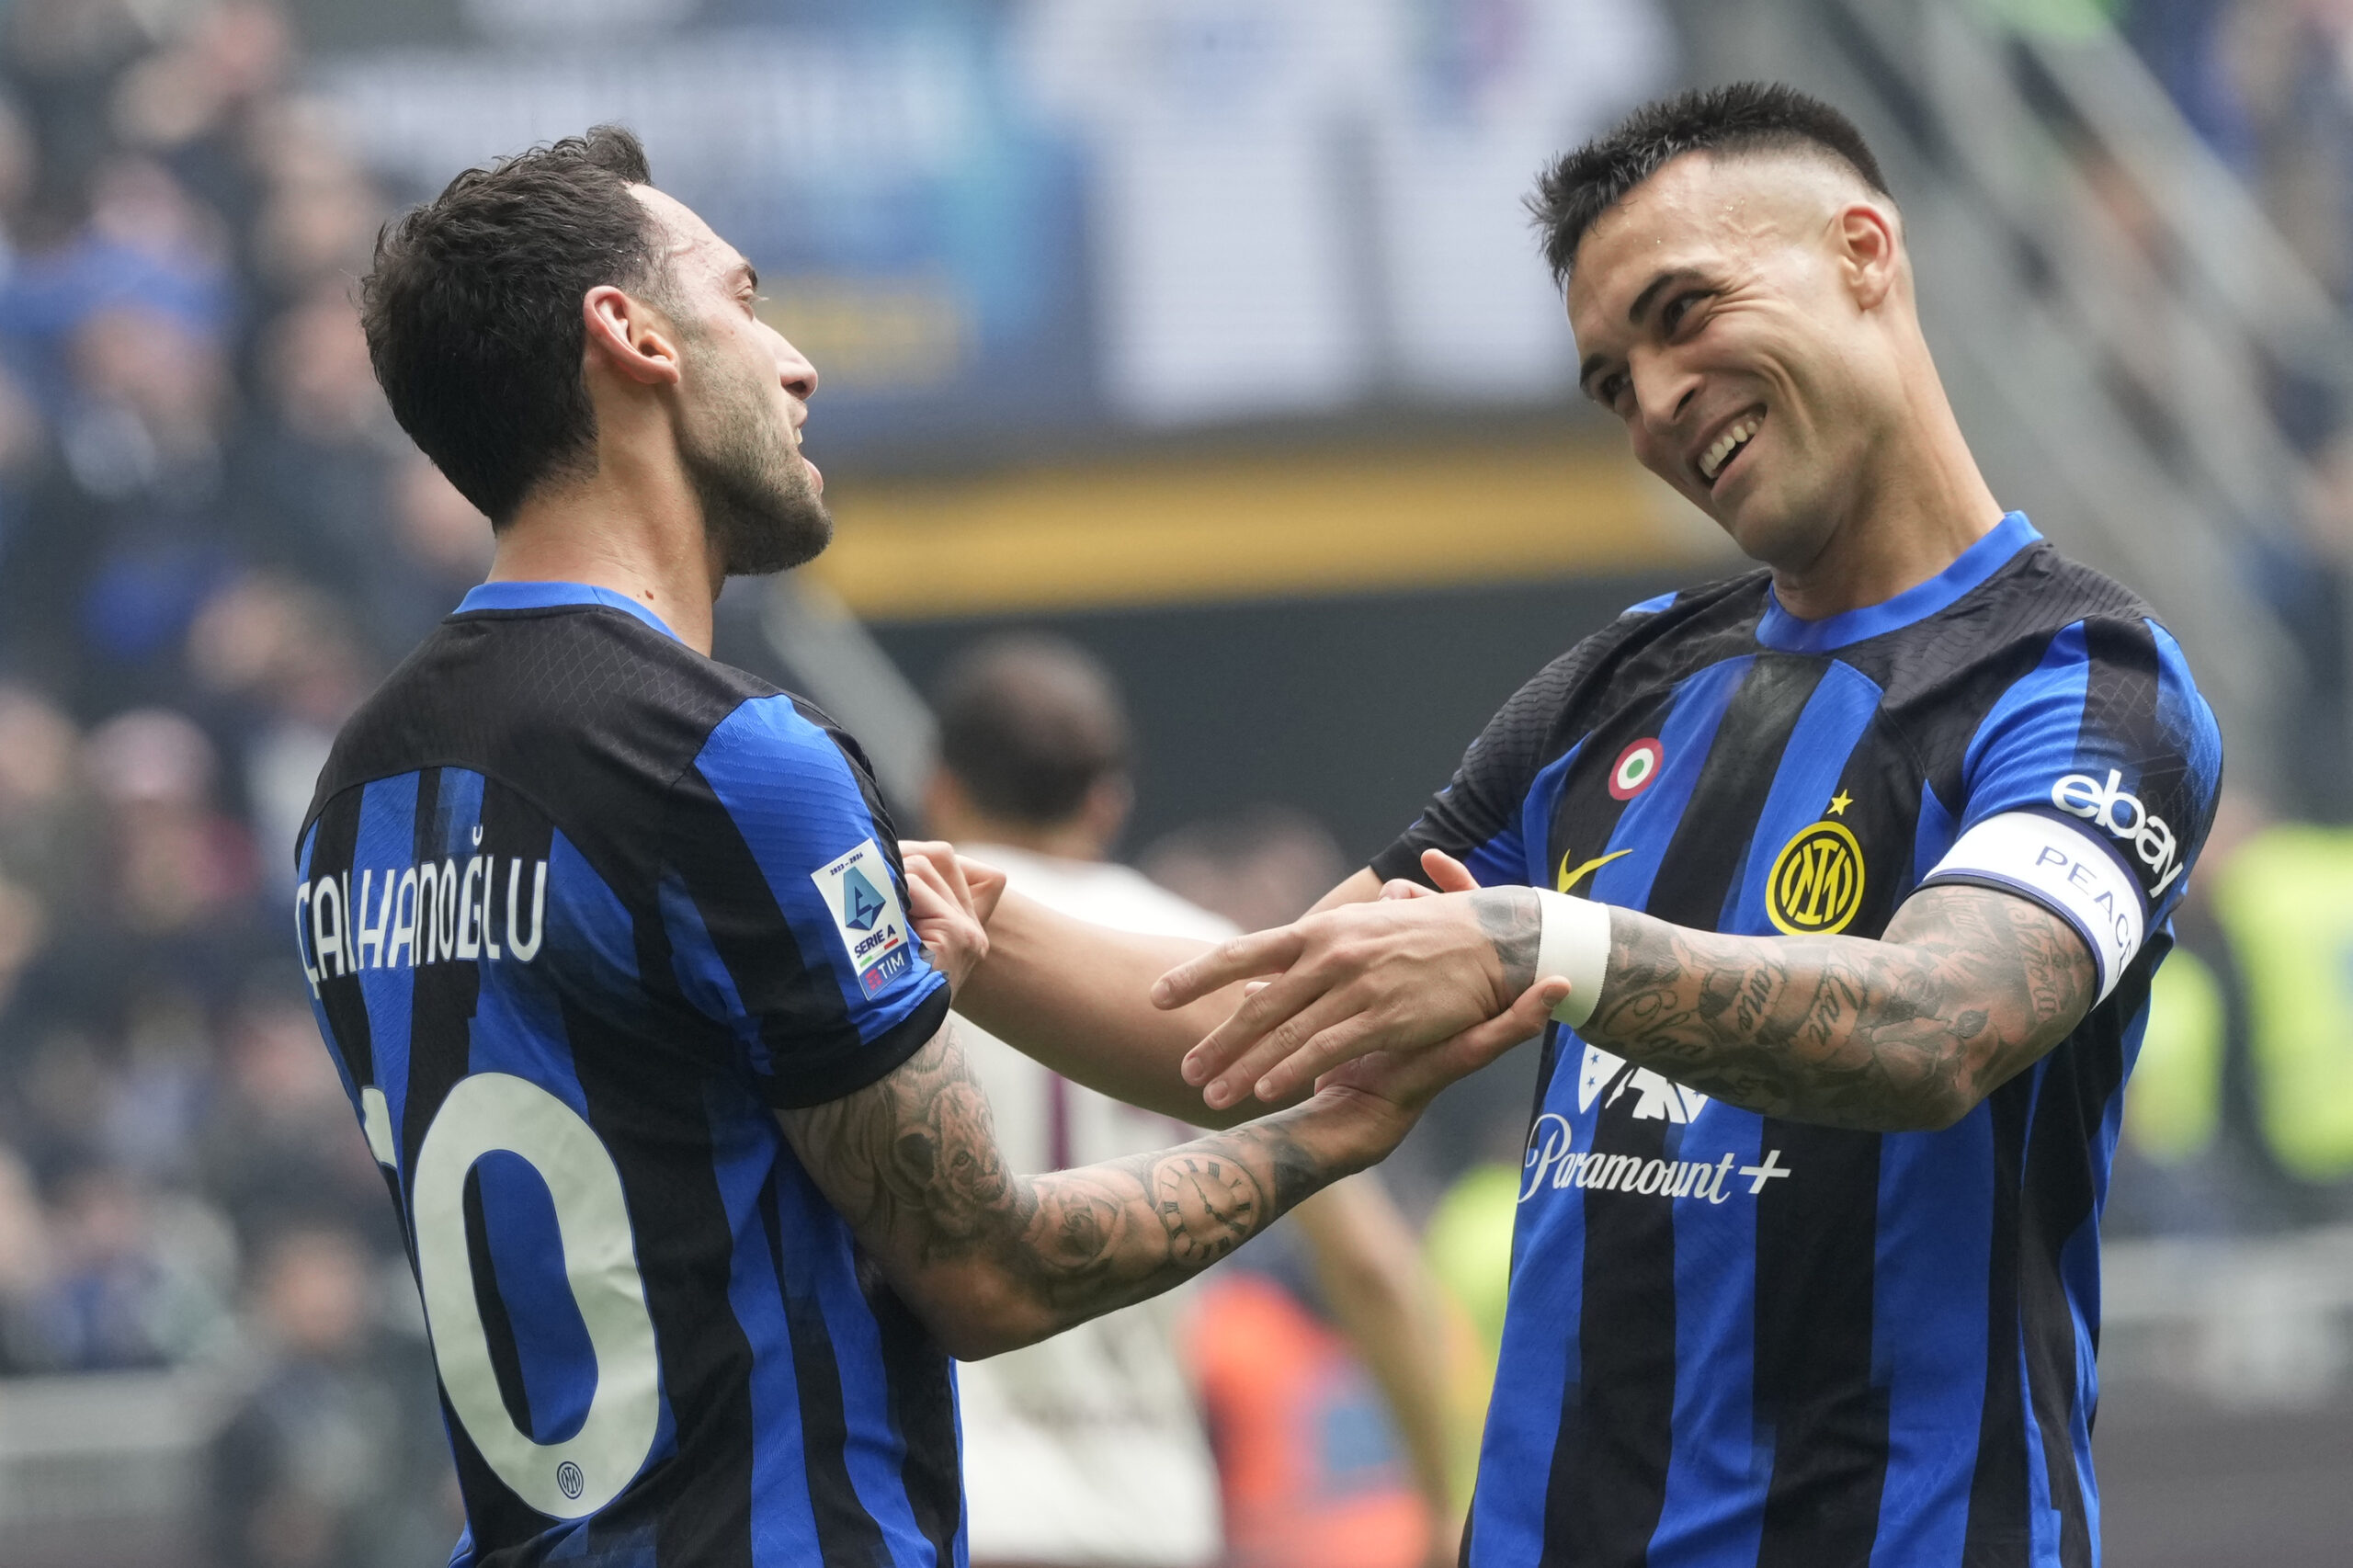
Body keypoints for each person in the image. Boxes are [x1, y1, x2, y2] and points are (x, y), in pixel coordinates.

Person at [951, 85, 2223, 1566]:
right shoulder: (1620, 685)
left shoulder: (2080, 677)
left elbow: (1943, 1021)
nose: (1660, 400)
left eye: (1685, 313)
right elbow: (1245, 1030)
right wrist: (929, 922)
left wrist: (1540, 943)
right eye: (1613, 381)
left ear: (1865, 253)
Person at [293, 127, 1554, 1565]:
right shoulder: (724, 756)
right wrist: (1325, 1137)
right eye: (746, 298)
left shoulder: (358, 791)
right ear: (630, 334)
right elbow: (989, 1274)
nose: (795, 362)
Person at [924, 633, 1459, 1568]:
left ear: (941, 792)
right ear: (1107, 800)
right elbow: (1369, 1262)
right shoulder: (1203, 953)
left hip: (944, 1499)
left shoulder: (895, 944)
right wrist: (1445, 1493)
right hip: (1149, 1511)